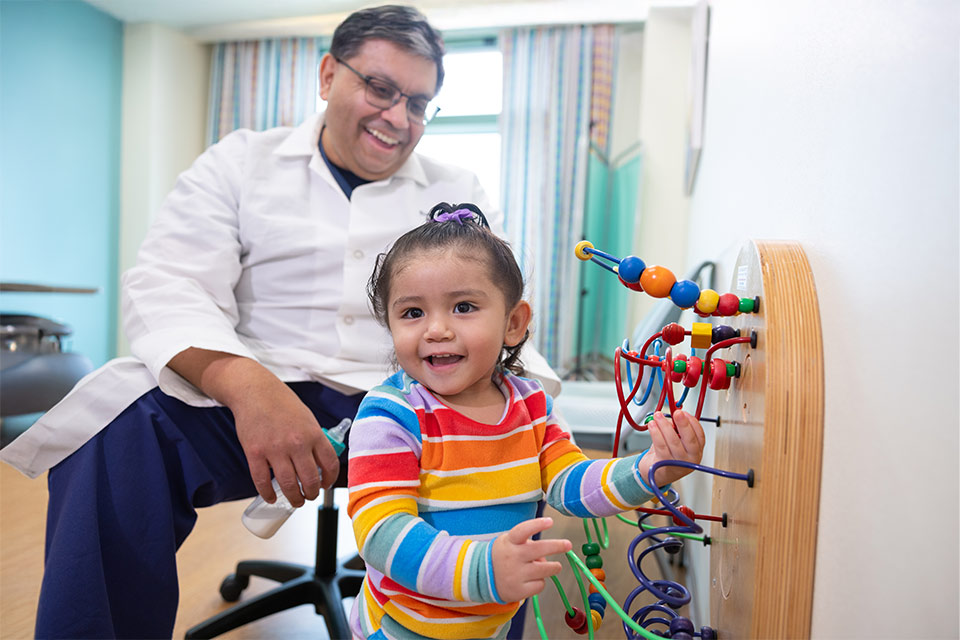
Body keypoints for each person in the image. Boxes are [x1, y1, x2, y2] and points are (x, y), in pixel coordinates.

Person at [0, 6, 557, 639]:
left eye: (419, 103)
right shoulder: (240, 163)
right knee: (118, 428)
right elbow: (169, 281)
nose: (399, 118)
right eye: (380, 88)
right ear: (327, 75)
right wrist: (248, 386)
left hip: (416, 405)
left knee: (504, 449)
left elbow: (489, 301)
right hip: (253, 397)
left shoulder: (457, 190)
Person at [347, 203, 706, 639]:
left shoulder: (532, 405)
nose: (436, 329)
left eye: (463, 306)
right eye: (412, 313)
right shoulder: (390, 414)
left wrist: (651, 470)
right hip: (403, 627)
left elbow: (572, 485)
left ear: (513, 323)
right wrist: (484, 570)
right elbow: (381, 532)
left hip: (490, 622)